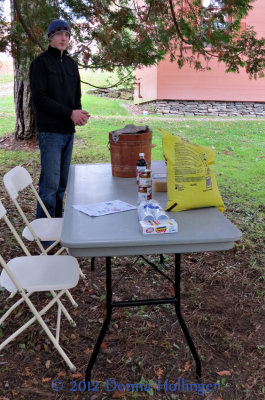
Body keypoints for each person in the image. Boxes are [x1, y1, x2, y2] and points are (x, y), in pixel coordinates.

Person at [29, 19, 90, 219]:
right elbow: (39, 99)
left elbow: (76, 97)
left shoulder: (72, 65)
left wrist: (78, 114)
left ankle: (57, 228)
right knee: (50, 185)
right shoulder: (40, 64)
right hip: (50, 133)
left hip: (67, 133)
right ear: (50, 37)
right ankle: (45, 236)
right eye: (59, 33)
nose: (64, 38)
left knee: (62, 184)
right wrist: (69, 113)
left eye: (67, 34)